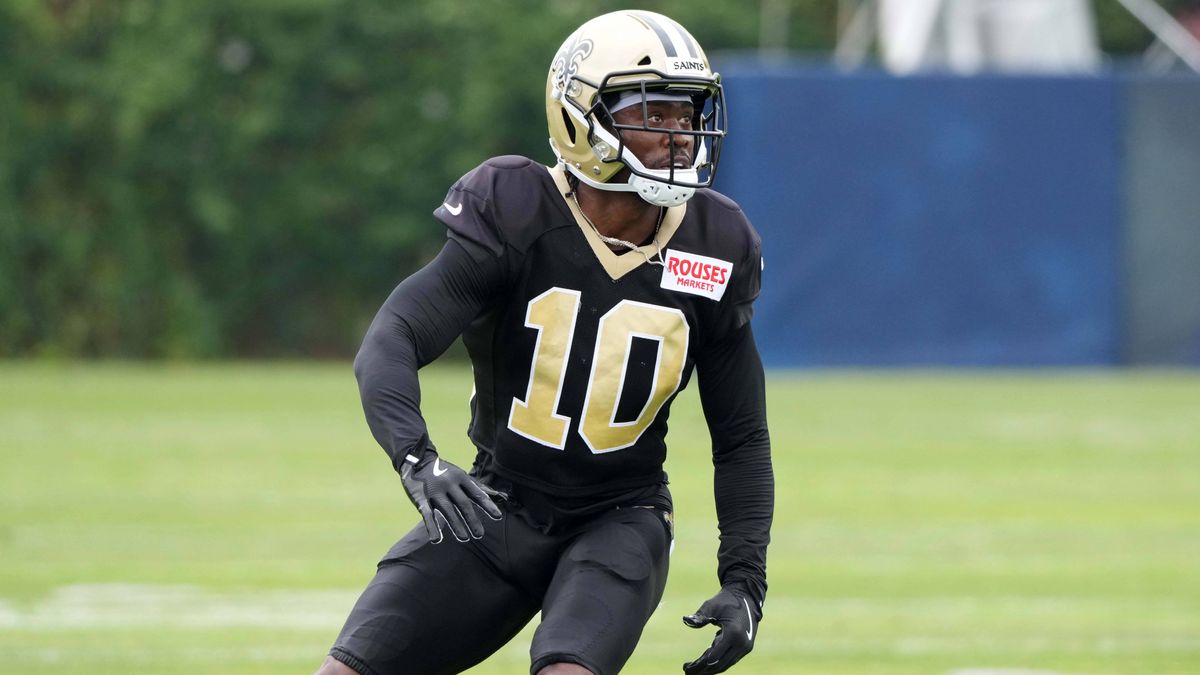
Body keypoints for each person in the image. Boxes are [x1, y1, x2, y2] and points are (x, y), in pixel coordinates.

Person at [315, 10, 773, 675]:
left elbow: (741, 436)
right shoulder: (516, 208)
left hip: (622, 516)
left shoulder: (715, 243)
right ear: (581, 116)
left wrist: (744, 581)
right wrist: (417, 459)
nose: (678, 135)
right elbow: (396, 334)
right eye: (655, 114)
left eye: (687, 114)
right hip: (496, 505)